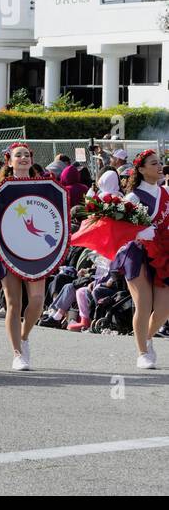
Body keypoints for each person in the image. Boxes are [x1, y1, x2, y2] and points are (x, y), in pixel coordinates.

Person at [0, 143, 50, 370]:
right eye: (19, 155)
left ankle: (24, 337)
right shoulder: (1, 188)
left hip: (36, 251)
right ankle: (17, 353)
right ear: (9, 161)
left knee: (37, 301)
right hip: (8, 250)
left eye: (27, 155)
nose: (24, 158)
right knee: (13, 303)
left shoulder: (44, 187)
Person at [114, 150, 169, 369]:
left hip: (162, 252)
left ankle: (146, 336)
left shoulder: (165, 194)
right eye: (154, 163)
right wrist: (140, 233)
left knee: (164, 309)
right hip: (136, 253)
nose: (159, 167)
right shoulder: (133, 197)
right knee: (143, 304)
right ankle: (142, 352)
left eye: (160, 163)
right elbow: (123, 229)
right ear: (141, 169)